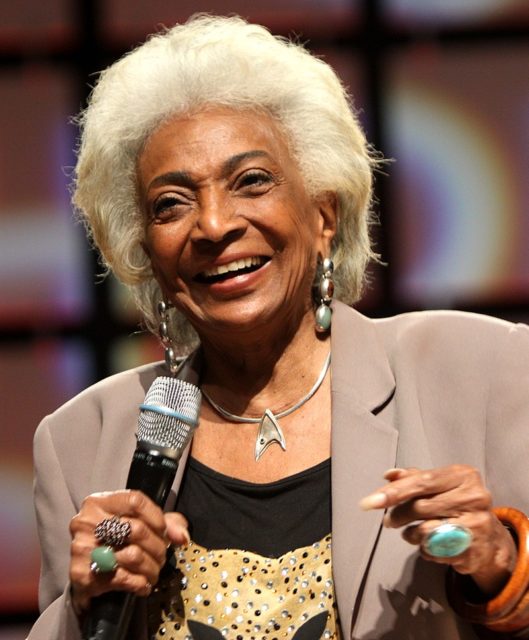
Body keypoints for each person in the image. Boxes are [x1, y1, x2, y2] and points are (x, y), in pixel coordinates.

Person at [27, 14, 529, 640]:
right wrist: (90, 596)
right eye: (171, 203)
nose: (213, 226)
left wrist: (502, 571)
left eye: (252, 181)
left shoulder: (482, 371)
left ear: (324, 213)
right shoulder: (79, 443)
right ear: (145, 252)